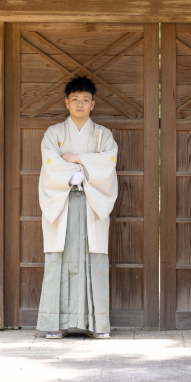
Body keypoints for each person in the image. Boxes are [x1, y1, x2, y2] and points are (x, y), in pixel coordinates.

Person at [36, 76, 118, 339]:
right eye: (75, 99)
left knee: (93, 258)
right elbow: (50, 163)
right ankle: (55, 323)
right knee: (59, 259)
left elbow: (108, 162)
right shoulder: (54, 133)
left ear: (93, 104)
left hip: (93, 203)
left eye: (85, 100)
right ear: (66, 103)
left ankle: (96, 325)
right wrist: (78, 172)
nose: (80, 104)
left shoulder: (104, 135)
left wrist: (77, 158)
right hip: (62, 202)